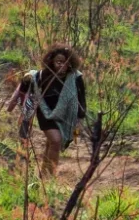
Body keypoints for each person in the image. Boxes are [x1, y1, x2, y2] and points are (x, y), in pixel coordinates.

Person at [7, 47, 87, 176]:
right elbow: (31, 93)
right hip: (45, 113)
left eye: (65, 62)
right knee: (56, 141)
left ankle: (44, 173)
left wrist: (80, 118)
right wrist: (27, 83)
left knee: (51, 144)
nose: (62, 65)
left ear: (70, 62)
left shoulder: (76, 77)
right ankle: (51, 176)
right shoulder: (42, 75)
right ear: (52, 62)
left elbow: (81, 98)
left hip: (65, 115)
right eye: (58, 62)